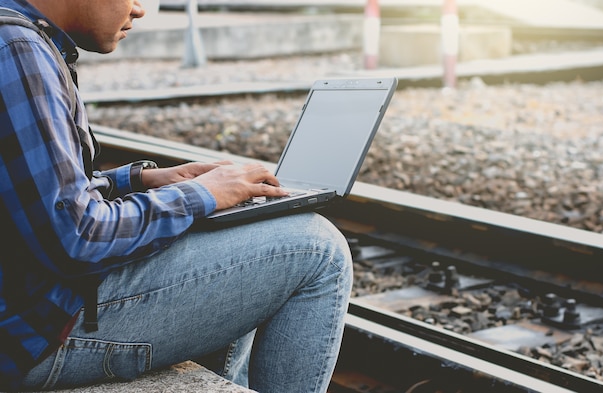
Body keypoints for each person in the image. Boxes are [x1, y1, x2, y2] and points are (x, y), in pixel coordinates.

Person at [0, 1, 353, 392]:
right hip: (33, 332)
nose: (139, 9)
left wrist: (144, 180)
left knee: (238, 234)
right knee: (319, 249)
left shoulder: (19, 37)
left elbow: (35, 193)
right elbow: (78, 235)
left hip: (26, 305)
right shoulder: (16, 48)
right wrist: (198, 194)